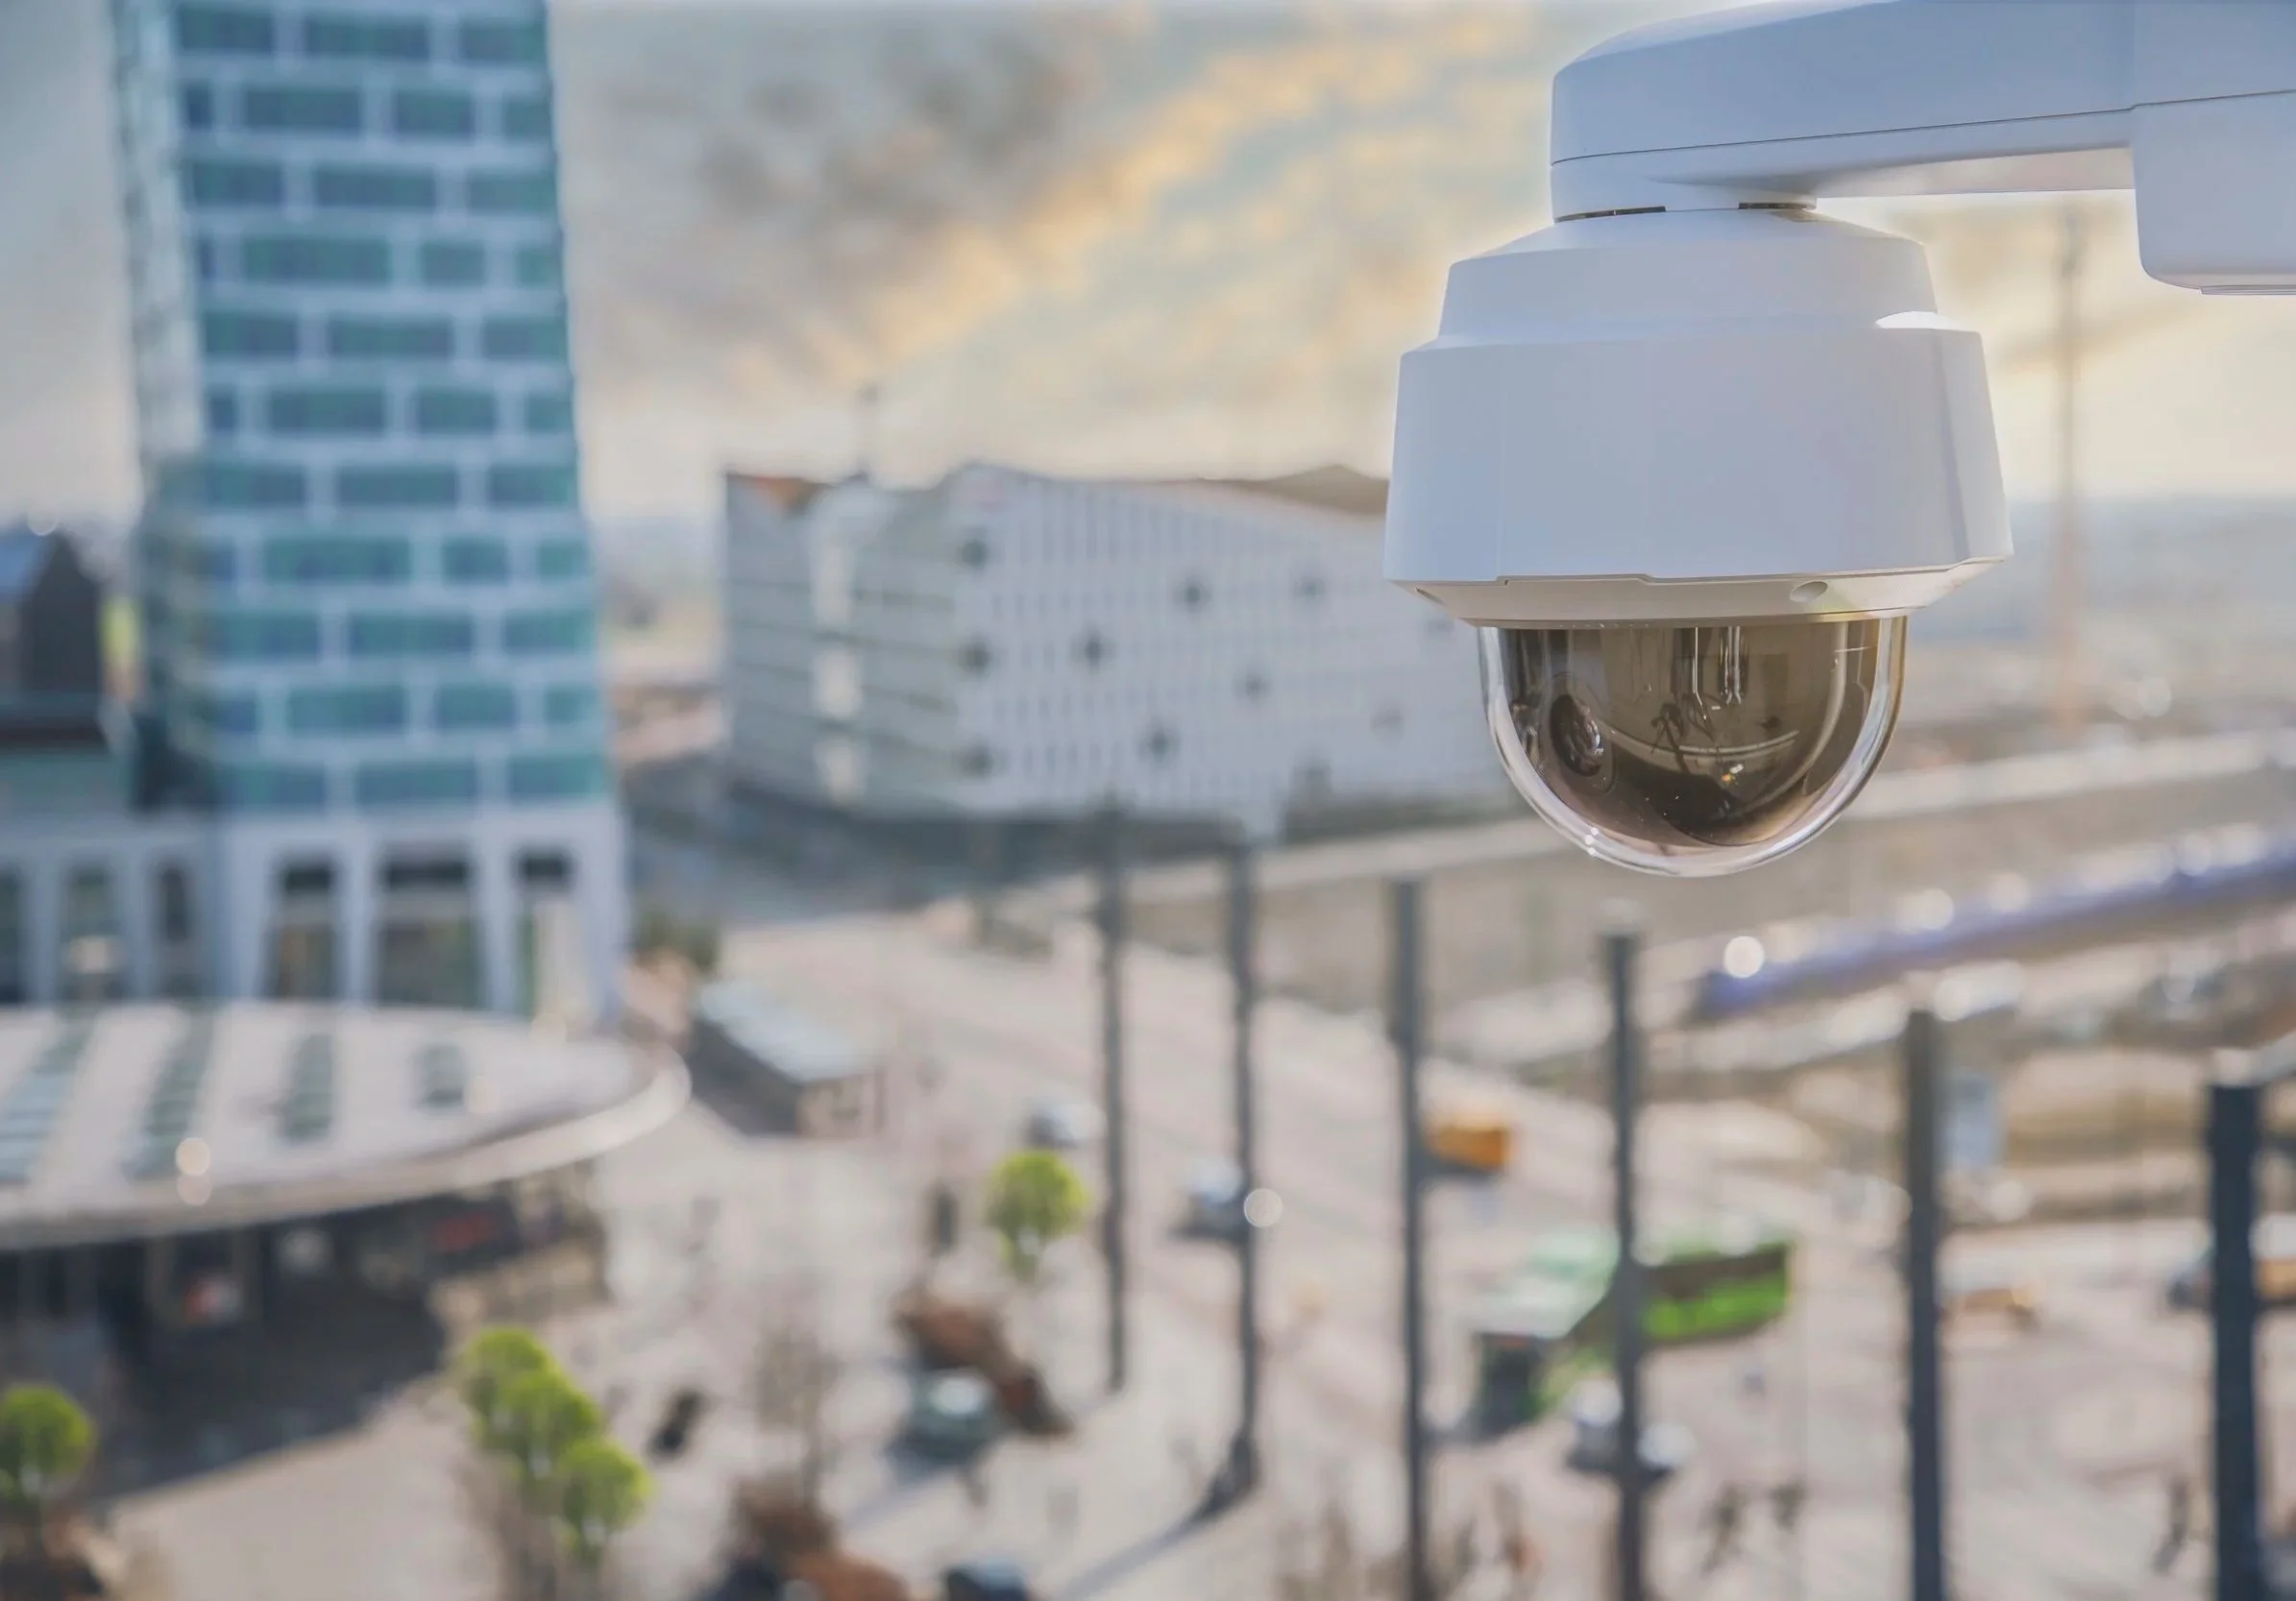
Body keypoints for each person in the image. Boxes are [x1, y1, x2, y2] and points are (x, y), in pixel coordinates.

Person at [1700, 1480, 1746, 1574]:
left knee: (1727, 1546)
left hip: (1728, 1530)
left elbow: (1735, 1518)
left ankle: (1723, 1564)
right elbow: (1718, 1516)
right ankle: (1713, 1565)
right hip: (1724, 1530)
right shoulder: (1726, 1505)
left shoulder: (1732, 1505)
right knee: (1720, 1547)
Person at [2156, 1472, 2192, 1574]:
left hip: (2178, 1523)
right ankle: (2162, 1564)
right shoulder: (2179, 1499)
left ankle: (2162, 1564)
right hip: (2178, 1524)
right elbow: (2179, 1513)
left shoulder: (2180, 1499)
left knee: (2175, 1542)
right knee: (2175, 1542)